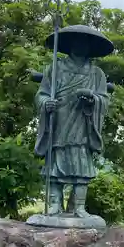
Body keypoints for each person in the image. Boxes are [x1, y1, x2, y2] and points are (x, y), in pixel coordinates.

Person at [34, 25, 113, 217]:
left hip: (82, 123)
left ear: (90, 47)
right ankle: (54, 205)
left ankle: (79, 207)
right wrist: (46, 103)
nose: (80, 46)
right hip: (59, 121)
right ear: (69, 45)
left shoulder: (97, 74)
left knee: (81, 165)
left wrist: (92, 99)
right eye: (76, 42)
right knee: (55, 164)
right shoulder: (54, 69)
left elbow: (104, 99)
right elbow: (41, 94)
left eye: (84, 43)